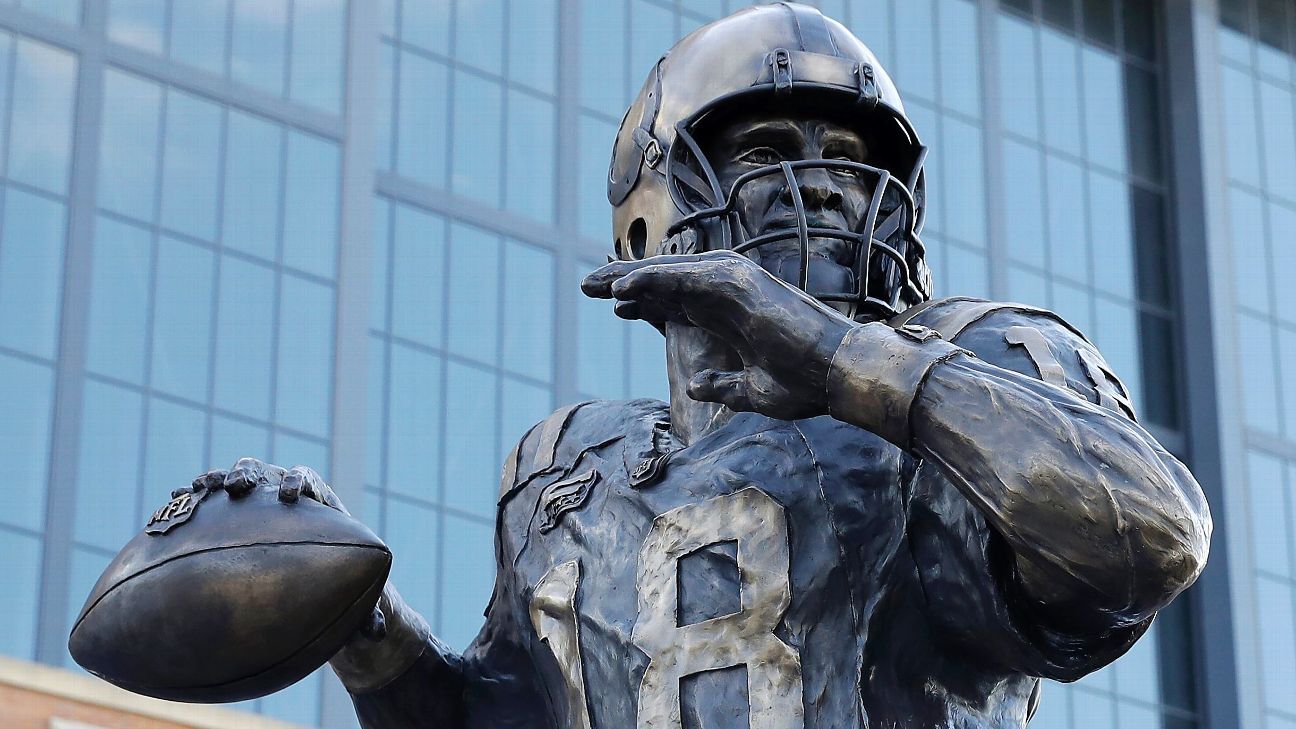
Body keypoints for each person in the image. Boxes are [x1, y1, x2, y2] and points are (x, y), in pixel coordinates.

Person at [200, 5, 1210, 727]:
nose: (822, 189)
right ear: (657, 212)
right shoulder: (567, 464)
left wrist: (852, 366)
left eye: (850, 165)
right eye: (768, 154)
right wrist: (367, 628)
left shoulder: (978, 364)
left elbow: (1151, 537)